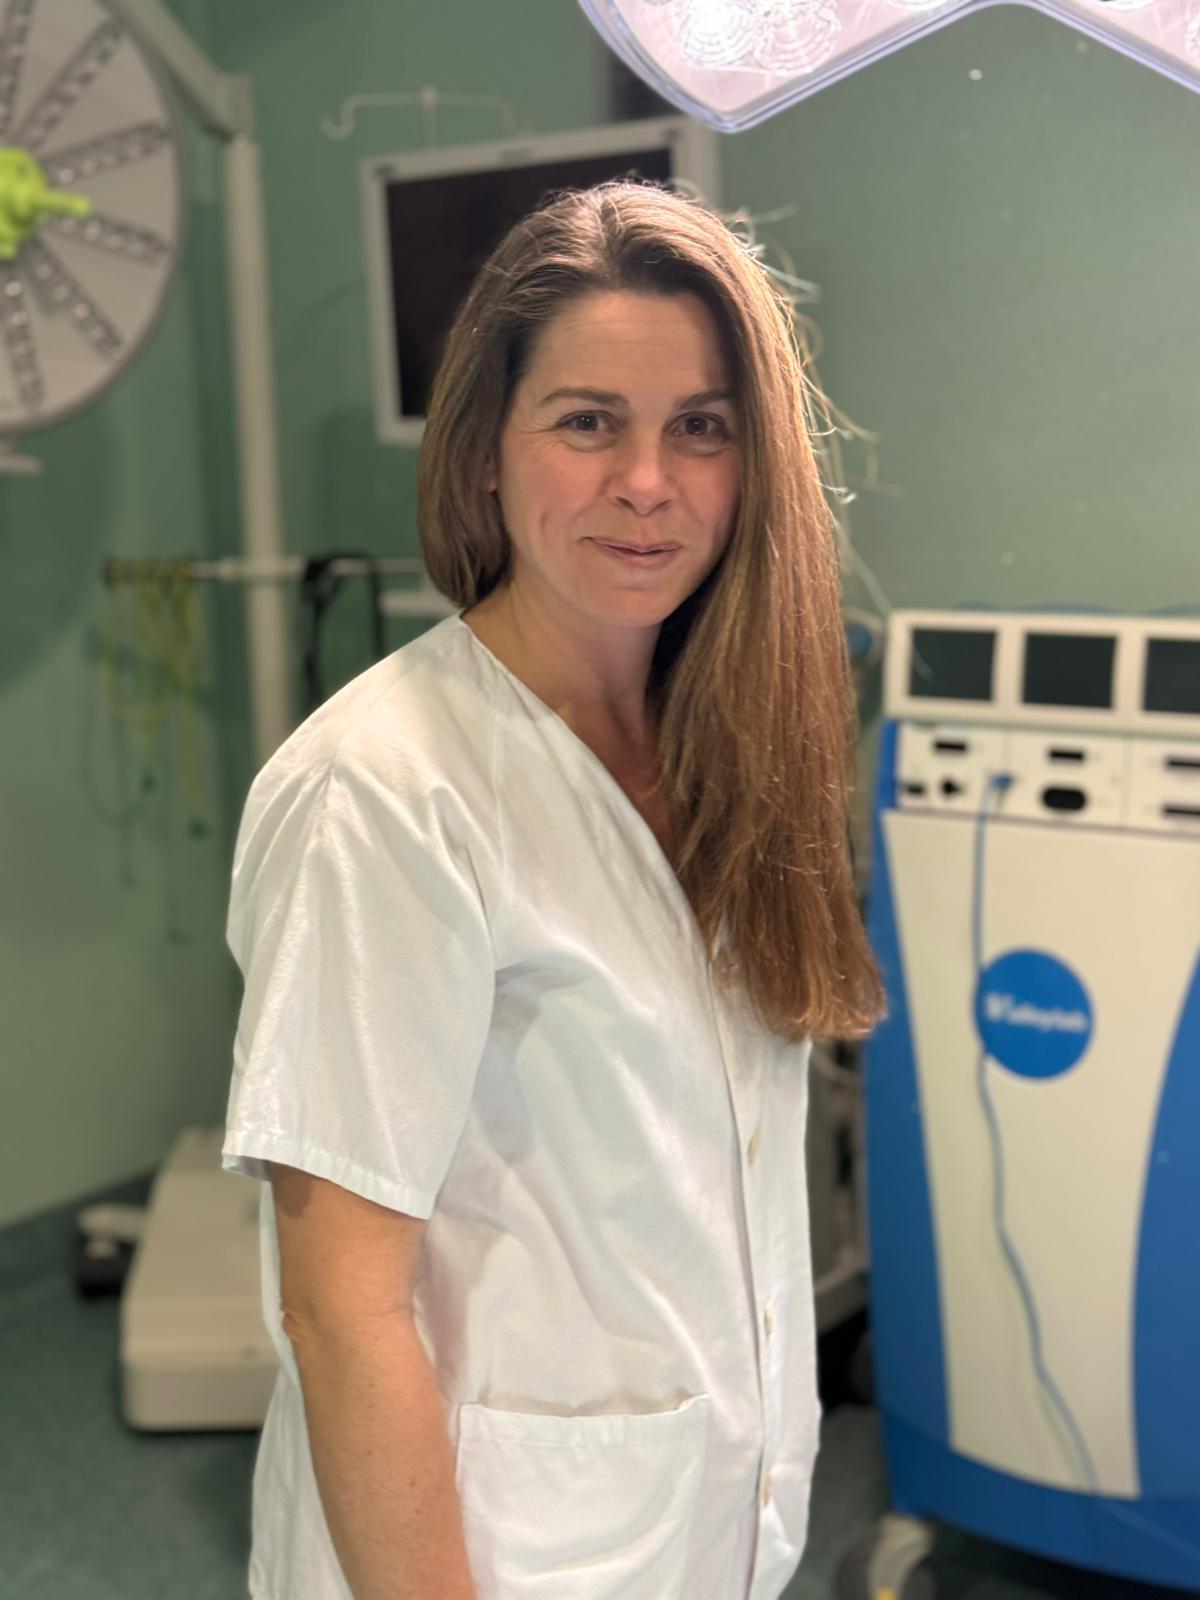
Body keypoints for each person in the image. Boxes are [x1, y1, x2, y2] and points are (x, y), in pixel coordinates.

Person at [221, 178, 885, 1600]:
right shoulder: (387, 794)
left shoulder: (729, 751)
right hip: (491, 1554)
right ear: (484, 456)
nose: (647, 481)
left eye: (700, 428)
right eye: (588, 422)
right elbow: (341, 1313)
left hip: (700, 1528)